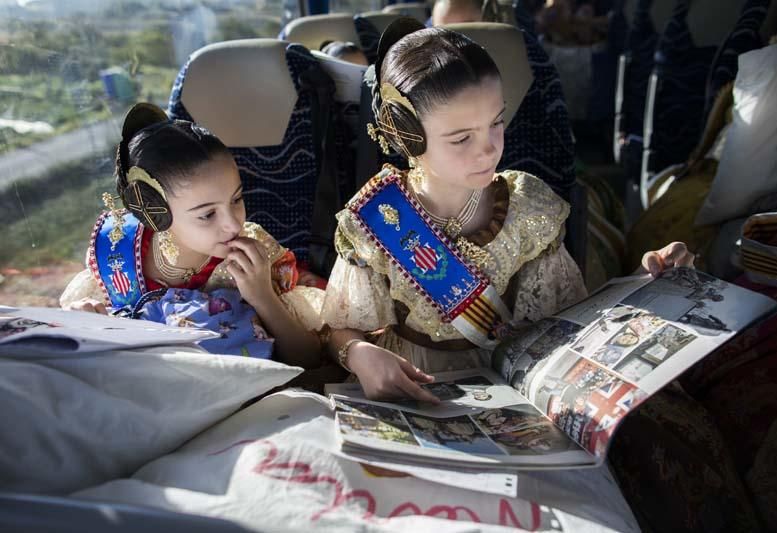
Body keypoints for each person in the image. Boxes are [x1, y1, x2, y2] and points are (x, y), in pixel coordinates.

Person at [320, 20, 694, 403]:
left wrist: (641, 282)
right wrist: (358, 353)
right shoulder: (380, 218)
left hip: (520, 380)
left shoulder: (528, 205)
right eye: (462, 138)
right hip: (414, 386)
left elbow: (571, 319)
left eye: (496, 123)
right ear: (408, 134)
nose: (488, 149)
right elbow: (340, 329)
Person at [60, 103, 322, 368]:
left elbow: (310, 359)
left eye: (237, 199)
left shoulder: (256, 252)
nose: (233, 224)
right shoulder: (117, 251)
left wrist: (263, 296)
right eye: (207, 215)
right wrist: (86, 318)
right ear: (155, 214)